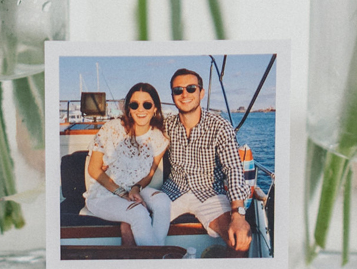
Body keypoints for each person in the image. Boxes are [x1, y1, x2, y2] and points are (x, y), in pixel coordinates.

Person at [163, 68, 252, 254]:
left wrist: (238, 214)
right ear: (172, 95)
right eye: (178, 90)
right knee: (132, 226)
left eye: (191, 88)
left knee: (239, 241)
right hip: (172, 191)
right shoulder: (166, 125)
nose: (184, 94)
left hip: (210, 193)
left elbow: (233, 169)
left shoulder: (220, 126)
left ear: (201, 93)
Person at [84, 82, 172, 247]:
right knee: (138, 212)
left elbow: (150, 173)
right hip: (104, 194)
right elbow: (94, 169)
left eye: (147, 104)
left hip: (135, 190)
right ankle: (156, 260)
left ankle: (156, 254)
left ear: (155, 109)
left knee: (163, 202)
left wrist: (136, 188)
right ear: (128, 109)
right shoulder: (111, 129)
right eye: (134, 104)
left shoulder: (160, 138)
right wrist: (124, 194)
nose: (140, 109)